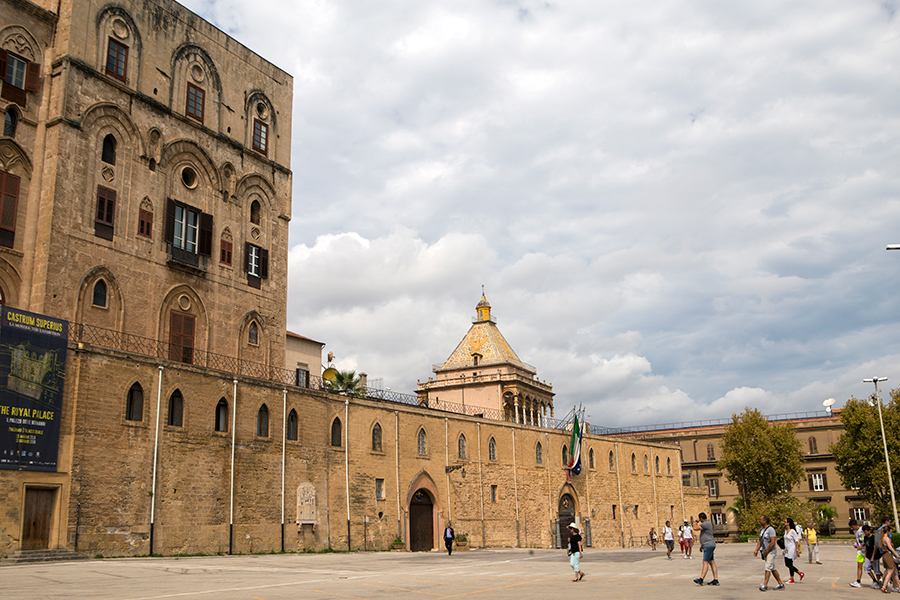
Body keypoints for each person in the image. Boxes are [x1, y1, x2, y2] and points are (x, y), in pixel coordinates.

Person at [754, 515, 786, 591]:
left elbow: (772, 542)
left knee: (767, 567)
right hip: (765, 551)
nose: (759, 521)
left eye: (761, 520)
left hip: (771, 552)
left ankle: (765, 584)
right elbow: (760, 540)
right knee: (772, 568)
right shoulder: (761, 530)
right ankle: (780, 583)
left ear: (765, 521)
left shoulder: (771, 530)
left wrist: (767, 551)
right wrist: (756, 550)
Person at [692, 513, 719, 586]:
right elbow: (705, 535)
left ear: (701, 518)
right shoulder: (708, 524)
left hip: (708, 545)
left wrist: (695, 522)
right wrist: (702, 545)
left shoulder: (706, 524)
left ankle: (701, 579)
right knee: (711, 562)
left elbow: (695, 528)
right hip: (708, 545)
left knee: (705, 562)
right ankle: (715, 579)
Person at [880, 523, 900, 593]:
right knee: (890, 571)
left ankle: (899, 587)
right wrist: (897, 555)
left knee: (895, 572)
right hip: (888, 555)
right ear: (888, 531)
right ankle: (884, 587)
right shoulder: (886, 539)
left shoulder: (882, 538)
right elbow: (890, 548)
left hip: (885, 555)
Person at [783, 518, 804, 583]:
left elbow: (796, 541)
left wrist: (797, 550)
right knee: (787, 564)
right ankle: (800, 573)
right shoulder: (786, 530)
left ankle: (792, 578)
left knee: (790, 563)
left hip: (792, 548)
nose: (784, 523)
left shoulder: (792, 531)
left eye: (785, 522)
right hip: (787, 549)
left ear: (788, 523)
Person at [863, 524, 883, 589]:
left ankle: (880, 582)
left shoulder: (873, 538)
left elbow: (875, 548)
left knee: (876, 570)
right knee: (866, 568)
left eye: (865, 532)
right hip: (868, 555)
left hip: (875, 556)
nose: (865, 533)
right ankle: (874, 580)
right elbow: (866, 546)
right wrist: (865, 555)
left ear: (869, 531)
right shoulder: (865, 538)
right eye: (864, 532)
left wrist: (872, 557)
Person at [850, 519, 865, 587]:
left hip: (865, 550)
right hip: (860, 551)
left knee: (871, 567)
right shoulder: (855, 532)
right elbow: (858, 539)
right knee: (859, 565)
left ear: (856, 525)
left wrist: (862, 545)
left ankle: (882, 579)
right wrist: (856, 544)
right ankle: (858, 581)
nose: (851, 528)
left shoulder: (862, 530)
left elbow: (866, 539)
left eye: (852, 526)